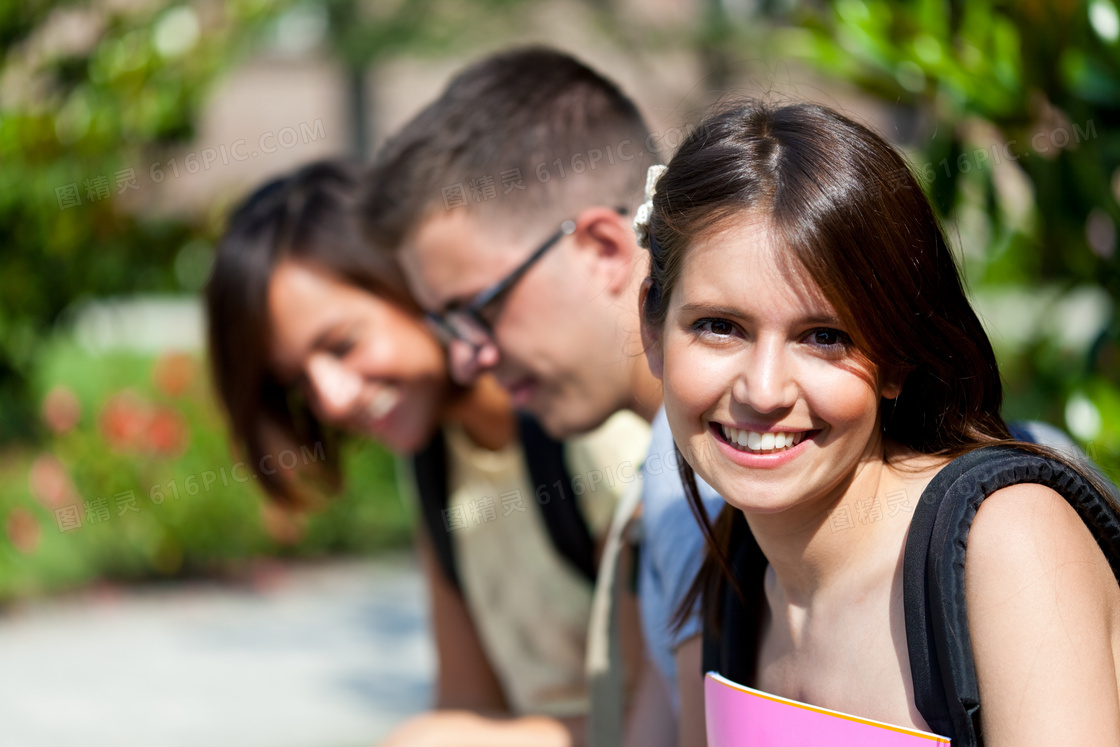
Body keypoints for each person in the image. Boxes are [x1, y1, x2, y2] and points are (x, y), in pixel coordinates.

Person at [637, 100, 1120, 745]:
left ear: (897, 359)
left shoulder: (1006, 542)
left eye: (824, 337)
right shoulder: (730, 581)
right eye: (719, 327)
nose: (763, 390)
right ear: (652, 328)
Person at [205, 159, 644, 746]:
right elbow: (468, 702)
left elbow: (661, 703)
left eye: (343, 345)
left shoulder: (589, 434)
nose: (331, 400)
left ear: (416, 282)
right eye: (298, 381)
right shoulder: (434, 459)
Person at [360, 46, 684, 746]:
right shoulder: (668, 477)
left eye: (479, 308)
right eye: (445, 325)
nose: (466, 356)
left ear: (602, 248)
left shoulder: (740, 472)